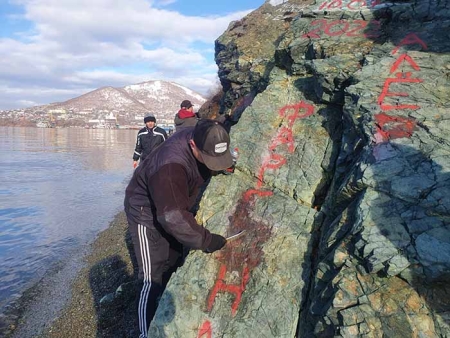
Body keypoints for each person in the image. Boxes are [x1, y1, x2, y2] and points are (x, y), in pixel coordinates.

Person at [124, 119, 233, 338]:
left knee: (172, 261)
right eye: (211, 159)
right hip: (145, 213)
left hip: (170, 203)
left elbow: (174, 212)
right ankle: (146, 333)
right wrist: (207, 240)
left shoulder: (207, 133)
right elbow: (171, 216)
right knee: (152, 276)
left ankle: (163, 311)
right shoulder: (169, 166)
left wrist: (224, 163)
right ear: (193, 146)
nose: (214, 162)